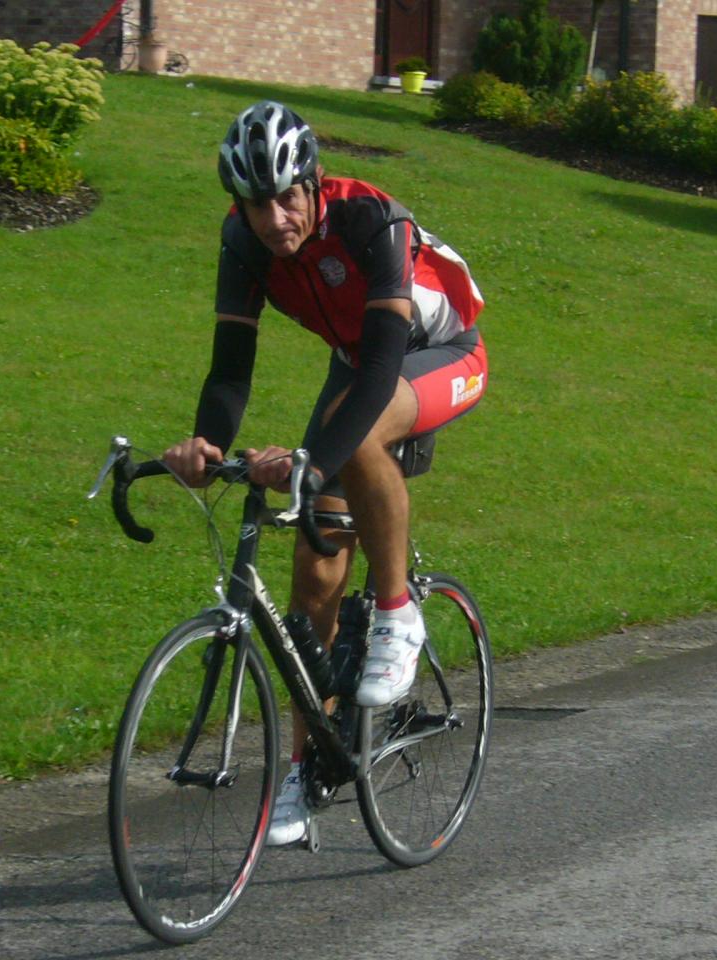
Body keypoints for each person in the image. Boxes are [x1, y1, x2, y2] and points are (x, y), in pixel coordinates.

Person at [163, 100, 487, 846]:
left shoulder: (371, 221)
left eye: (287, 198)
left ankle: (399, 613)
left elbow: (381, 368)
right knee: (314, 575)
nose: (274, 219)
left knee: (359, 436)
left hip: (442, 355)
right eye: (257, 204)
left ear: (313, 184)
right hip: (359, 365)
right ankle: (310, 768)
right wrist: (205, 445)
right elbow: (229, 371)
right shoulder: (242, 243)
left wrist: (309, 466)